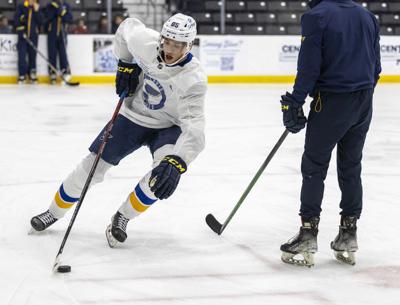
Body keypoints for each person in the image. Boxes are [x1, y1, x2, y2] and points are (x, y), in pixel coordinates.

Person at [30, 13, 207, 248]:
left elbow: (194, 126)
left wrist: (178, 160)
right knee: (92, 166)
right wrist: (126, 63)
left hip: (168, 127)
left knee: (161, 177)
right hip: (132, 117)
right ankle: (53, 211)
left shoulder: (193, 79)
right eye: (166, 41)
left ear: (189, 45)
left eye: (177, 45)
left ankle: (123, 216)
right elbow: (127, 27)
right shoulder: (146, 43)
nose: (169, 50)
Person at [279, 0, 381, 267]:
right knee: (350, 165)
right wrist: (360, 96)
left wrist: (295, 101)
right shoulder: (368, 16)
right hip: (364, 100)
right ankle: (348, 233)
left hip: (334, 101)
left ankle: (308, 233)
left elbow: (309, 67)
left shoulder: (317, 17)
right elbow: (376, 68)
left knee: (314, 164)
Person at [14, 0, 43, 84]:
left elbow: (41, 22)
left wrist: (37, 11)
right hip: (23, 36)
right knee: (22, 56)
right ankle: (22, 75)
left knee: (32, 56)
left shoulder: (37, 8)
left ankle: (32, 74)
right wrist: (22, 31)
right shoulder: (21, 6)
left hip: (33, 36)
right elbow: (17, 20)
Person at [44, 0, 72, 84]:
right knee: (52, 54)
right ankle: (52, 73)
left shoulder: (66, 5)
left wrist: (61, 12)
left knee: (63, 54)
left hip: (62, 33)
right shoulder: (50, 5)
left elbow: (69, 18)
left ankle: (65, 72)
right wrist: (58, 10)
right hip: (52, 33)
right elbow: (49, 16)